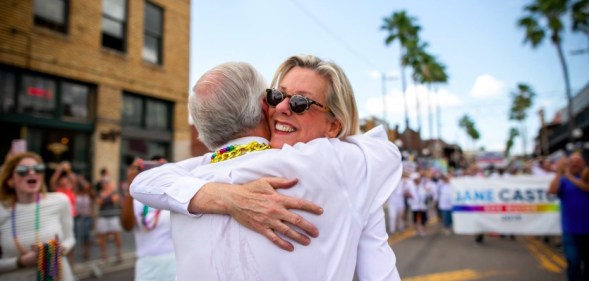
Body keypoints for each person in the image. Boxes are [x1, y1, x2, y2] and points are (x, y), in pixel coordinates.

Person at [131, 57, 402, 280]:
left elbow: (145, 182)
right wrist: (229, 198)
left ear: (334, 125)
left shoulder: (345, 165)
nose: (282, 107)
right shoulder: (356, 170)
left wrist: (216, 196)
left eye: (300, 102)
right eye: (276, 96)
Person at [0, 152, 76, 280]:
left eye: (38, 169)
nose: (32, 173)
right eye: (23, 170)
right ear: (10, 180)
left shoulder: (60, 201)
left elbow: (70, 238)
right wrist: (20, 262)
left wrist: (61, 248)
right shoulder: (2, 210)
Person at [120, 158, 175, 281]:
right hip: (146, 263)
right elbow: (127, 226)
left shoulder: (172, 196)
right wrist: (130, 186)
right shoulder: (136, 199)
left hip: (172, 260)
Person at [548, 152, 589, 281]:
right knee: (573, 262)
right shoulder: (562, 180)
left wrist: (569, 176)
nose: (575, 163)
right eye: (572, 161)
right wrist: (559, 172)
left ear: (583, 163)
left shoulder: (585, 178)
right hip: (570, 230)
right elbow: (552, 191)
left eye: (578, 161)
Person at [95, 179, 123, 262]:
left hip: (113, 215)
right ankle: (104, 254)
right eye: (103, 183)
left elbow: (115, 200)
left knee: (116, 234)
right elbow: (99, 202)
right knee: (101, 235)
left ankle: (119, 252)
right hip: (103, 216)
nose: (105, 185)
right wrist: (107, 198)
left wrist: (107, 195)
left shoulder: (113, 192)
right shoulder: (99, 193)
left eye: (107, 183)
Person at [74, 173, 95, 261]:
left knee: (87, 236)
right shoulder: (77, 194)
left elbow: (88, 187)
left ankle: (87, 251)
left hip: (87, 217)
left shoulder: (89, 194)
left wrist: (81, 180)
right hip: (79, 217)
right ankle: (84, 251)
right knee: (81, 236)